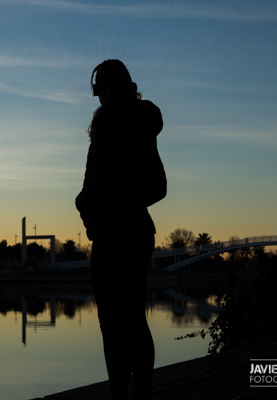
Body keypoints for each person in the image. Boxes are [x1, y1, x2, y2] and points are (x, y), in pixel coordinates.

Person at [75, 59, 166, 400]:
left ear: (111, 87)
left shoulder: (123, 124)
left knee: (117, 323)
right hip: (123, 230)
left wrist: (98, 200)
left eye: (101, 91)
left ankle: (127, 397)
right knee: (125, 320)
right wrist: (90, 206)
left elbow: (147, 183)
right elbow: (100, 180)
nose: (99, 98)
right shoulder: (127, 125)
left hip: (120, 232)